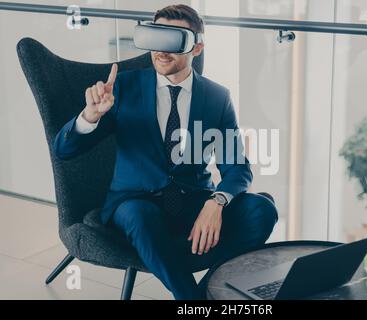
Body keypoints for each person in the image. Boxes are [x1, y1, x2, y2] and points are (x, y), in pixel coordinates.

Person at [53, 4, 278, 300]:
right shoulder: (122, 88)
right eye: (156, 37)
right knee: (141, 214)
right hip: (134, 205)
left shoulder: (216, 97)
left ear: (196, 48)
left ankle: (205, 287)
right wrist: (90, 116)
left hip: (194, 202)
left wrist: (217, 201)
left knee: (262, 209)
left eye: (174, 41)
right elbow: (65, 151)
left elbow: (237, 168)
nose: (162, 51)